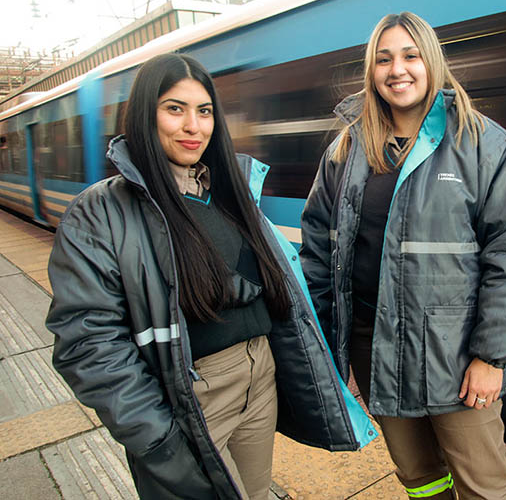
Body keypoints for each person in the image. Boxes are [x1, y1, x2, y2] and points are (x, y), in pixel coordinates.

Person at [46, 53, 374, 500]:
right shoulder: (100, 212)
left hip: (259, 377)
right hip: (190, 395)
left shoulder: (230, 191)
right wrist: (155, 435)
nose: (193, 126)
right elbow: (86, 342)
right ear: (146, 115)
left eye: (204, 112)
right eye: (174, 109)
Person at [300, 12, 506, 500]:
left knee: (485, 484)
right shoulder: (347, 151)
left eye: (410, 56)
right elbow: (317, 252)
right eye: (384, 59)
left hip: (453, 353)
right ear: (371, 70)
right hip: (373, 344)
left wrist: (491, 358)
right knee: (418, 475)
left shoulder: (482, 144)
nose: (398, 70)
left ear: (431, 62)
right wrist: (324, 347)